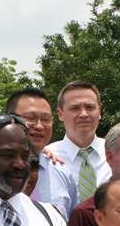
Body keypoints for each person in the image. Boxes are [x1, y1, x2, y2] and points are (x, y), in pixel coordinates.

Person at [7, 88, 79, 218]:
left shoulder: (62, 174)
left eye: (46, 119)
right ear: (9, 120)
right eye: (30, 118)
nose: (39, 126)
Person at [45, 82, 111, 203]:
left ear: (100, 111)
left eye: (90, 107)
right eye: (75, 108)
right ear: (60, 114)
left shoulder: (118, 153)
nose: (84, 114)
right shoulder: (46, 159)